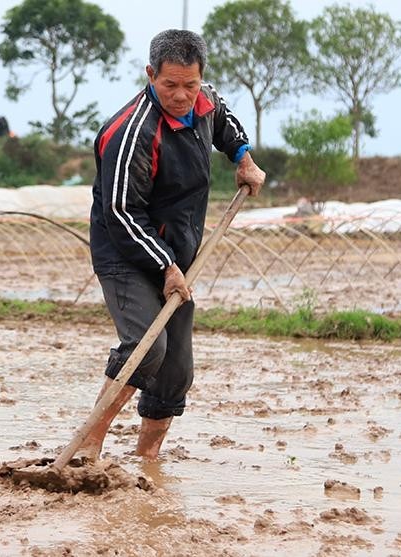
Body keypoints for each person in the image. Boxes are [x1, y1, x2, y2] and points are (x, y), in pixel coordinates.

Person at [77, 29, 266, 462]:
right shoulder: (131, 134)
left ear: (201, 79)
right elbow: (121, 213)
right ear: (150, 75)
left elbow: (224, 121)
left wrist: (243, 158)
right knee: (147, 346)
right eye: (169, 85)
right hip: (127, 253)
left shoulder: (205, 101)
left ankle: (148, 462)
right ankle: (88, 449)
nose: (181, 96)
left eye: (190, 85)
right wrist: (164, 266)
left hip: (178, 252)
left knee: (175, 367)